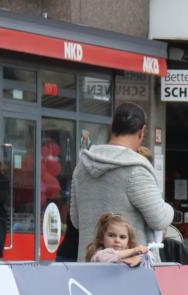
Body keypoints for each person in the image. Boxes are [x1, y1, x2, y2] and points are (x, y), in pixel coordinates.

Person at [70, 103, 173, 263]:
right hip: (129, 273)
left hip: (88, 270)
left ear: (112, 127)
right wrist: (169, 209)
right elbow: (159, 218)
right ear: (142, 132)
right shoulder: (135, 170)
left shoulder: (81, 167)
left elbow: (76, 221)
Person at [85, 212, 150, 268]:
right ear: (102, 238)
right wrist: (134, 250)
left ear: (128, 241)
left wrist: (139, 258)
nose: (117, 240)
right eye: (111, 235)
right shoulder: (99, 254)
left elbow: (150, 255)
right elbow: (112, 257)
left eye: (122, 237)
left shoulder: (131, 253)